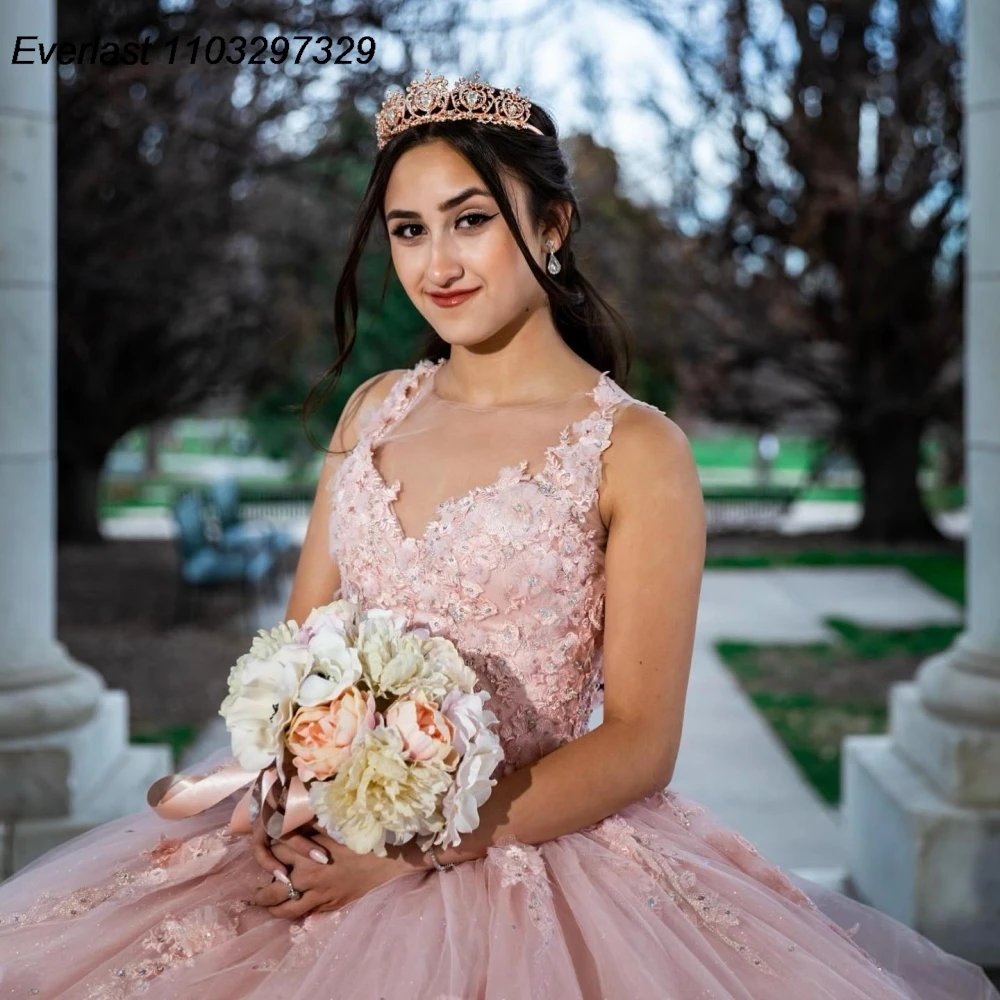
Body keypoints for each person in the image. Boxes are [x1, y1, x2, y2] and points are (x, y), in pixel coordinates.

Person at [0, 70, 996, 1000]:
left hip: (530, 852)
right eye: (406, 229)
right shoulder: (372, 412)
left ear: (551, 226)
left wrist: (402, 851)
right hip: (320, 827)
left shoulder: (636, 450)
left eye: (470, 221)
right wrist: (279, 796)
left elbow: (641, 743)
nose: (436, 262)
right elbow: (295, 652)